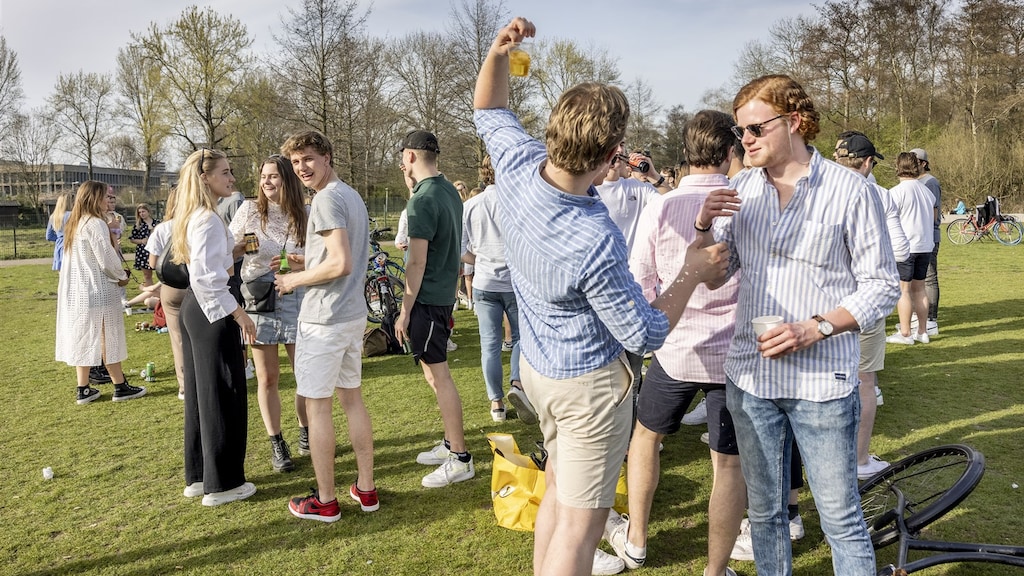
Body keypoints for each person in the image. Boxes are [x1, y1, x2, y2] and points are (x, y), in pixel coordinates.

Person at [474, 17, 730, 576]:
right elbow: (643, 333)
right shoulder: (593, 235)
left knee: (560, 501)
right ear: (614, 152)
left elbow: (489, 110)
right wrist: (689, 270)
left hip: (540, 372)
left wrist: (499, 53)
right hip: (588, 390)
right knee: (581, 524)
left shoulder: (517, 166)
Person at [695, 74, 899, 576]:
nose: (744, 141)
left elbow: (882, 286)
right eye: (739, 132)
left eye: (755, 128)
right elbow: (714, 275)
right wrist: (702, 228)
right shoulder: (740, 189)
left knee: (840, 518)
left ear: (794, 121)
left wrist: (815, 328)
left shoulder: (850, 191)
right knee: (764, 515)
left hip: (821, 383)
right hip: (752, 378)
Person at [608, 109, 745, 576]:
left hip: (676, 346)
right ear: (731, 152)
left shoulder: (660, 206)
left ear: (686, 153)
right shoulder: (747, 202)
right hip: (730, 355)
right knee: (727, 464)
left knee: (645, 438)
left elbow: (639, 281)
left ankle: (638, 536)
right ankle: (713, 567)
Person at [279, 131, 377, 522]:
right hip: (351, 315)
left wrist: (291, 281)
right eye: (296, 162)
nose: (302, 167)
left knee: (318, 409)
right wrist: (305, 264)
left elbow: (341, 264)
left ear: (327, 157)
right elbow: (339, 257)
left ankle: (325, 500)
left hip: (325, 320)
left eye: (308, 159)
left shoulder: (325, 199)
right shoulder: (350, 195)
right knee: (352, 399)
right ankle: (365, 490)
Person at [172, 148, 257, 507]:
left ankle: (201, 475)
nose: (231, 178)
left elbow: (207, 268)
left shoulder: (197, 216)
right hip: (211, 310)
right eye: (224, 172)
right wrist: (239, 314)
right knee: (223, 392)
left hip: (197, 308)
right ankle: (222, 484)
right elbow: (206, 278)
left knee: (200, 394)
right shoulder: (206, 218)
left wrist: (233, 252)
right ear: (205, 177)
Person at [392, 129, 475, 489]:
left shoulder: (423, 199)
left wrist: (404, 310)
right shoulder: (444, 190)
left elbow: (416, 263)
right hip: (441, 296)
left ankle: (460, 457)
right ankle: (449, 443)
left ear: (409, 156)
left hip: (428, 299)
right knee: (432, 373)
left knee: (439, 377)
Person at [833, 132, 910, 478]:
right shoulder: (876, 194)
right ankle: (859, 459)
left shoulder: (808, 188)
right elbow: (902, 251)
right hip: (861, 301)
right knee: (864, 381)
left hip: (818, 304)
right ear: (867, 162)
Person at [229, 154, 310, 473]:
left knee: (303, 372)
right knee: (268, 376)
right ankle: (277, 442)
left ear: (287, 179)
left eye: (274, 176)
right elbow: (229, 251)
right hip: (258, 294)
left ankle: (308, 432)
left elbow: (323, 258)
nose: (266, 182)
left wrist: (296, 264)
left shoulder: (305, 213)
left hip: (295, 293)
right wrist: (243, 249)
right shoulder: (249, 210)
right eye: (263, 176)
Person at [55, 181, 147, 405]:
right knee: (109, 336)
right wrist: (121, 276)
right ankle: (119, 385)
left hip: (80, 291)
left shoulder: (76, 223)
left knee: (86, 335)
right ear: (94, 198)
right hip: (98, 289)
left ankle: (83, 388)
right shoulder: (95, 224)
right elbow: (106, 259)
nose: (109, 200)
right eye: (105, 196)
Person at [461, 154, 534, 424]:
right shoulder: (519, 203)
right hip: (514, 282)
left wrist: (482, 260)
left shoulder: (471, 204)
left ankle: (496, 403)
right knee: (520, 339)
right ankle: (517, 383)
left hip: (484, 282)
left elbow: (461, 250)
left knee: (489, 346)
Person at [885, 152, 936, 346]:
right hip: (924, 245)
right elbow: (933, 218)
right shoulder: (926, 192)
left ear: (898, 167)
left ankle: (905, 332)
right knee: (920, 289)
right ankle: (922, 331)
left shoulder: (895, 192)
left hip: (905, 246)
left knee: (903, 290)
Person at [145, 189, 187, 400]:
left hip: (172, 286)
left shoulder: (162, 229)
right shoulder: (199, 224)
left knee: (178, 338)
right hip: (196, 284)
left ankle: (184, 385)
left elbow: (153, 263)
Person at [910, 148, 941, 336]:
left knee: (928, 278)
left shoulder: (930, 182)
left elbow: (933, 212)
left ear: (923, 163)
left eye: (916, 161)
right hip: (918, 237)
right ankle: (918, 316)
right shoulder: (916, 182)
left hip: (929, 237)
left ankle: (931, 319)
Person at [129, 203, 159, 286]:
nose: (141, 214)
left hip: (156, 250)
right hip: (143, 252)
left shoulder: (157, 223)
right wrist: (141, 241)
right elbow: (132, 239)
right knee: (147, 275)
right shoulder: (138, 225)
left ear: (148, 211)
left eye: (143, 211)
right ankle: (150, 294)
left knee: (161, 274)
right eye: (140, 212)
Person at [46, 192, 72, 271]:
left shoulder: (53, 216)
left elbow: (49, 236)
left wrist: (59, 238)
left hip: (59, 247)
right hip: (70, 245)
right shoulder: (71, 215)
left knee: (61, 278)